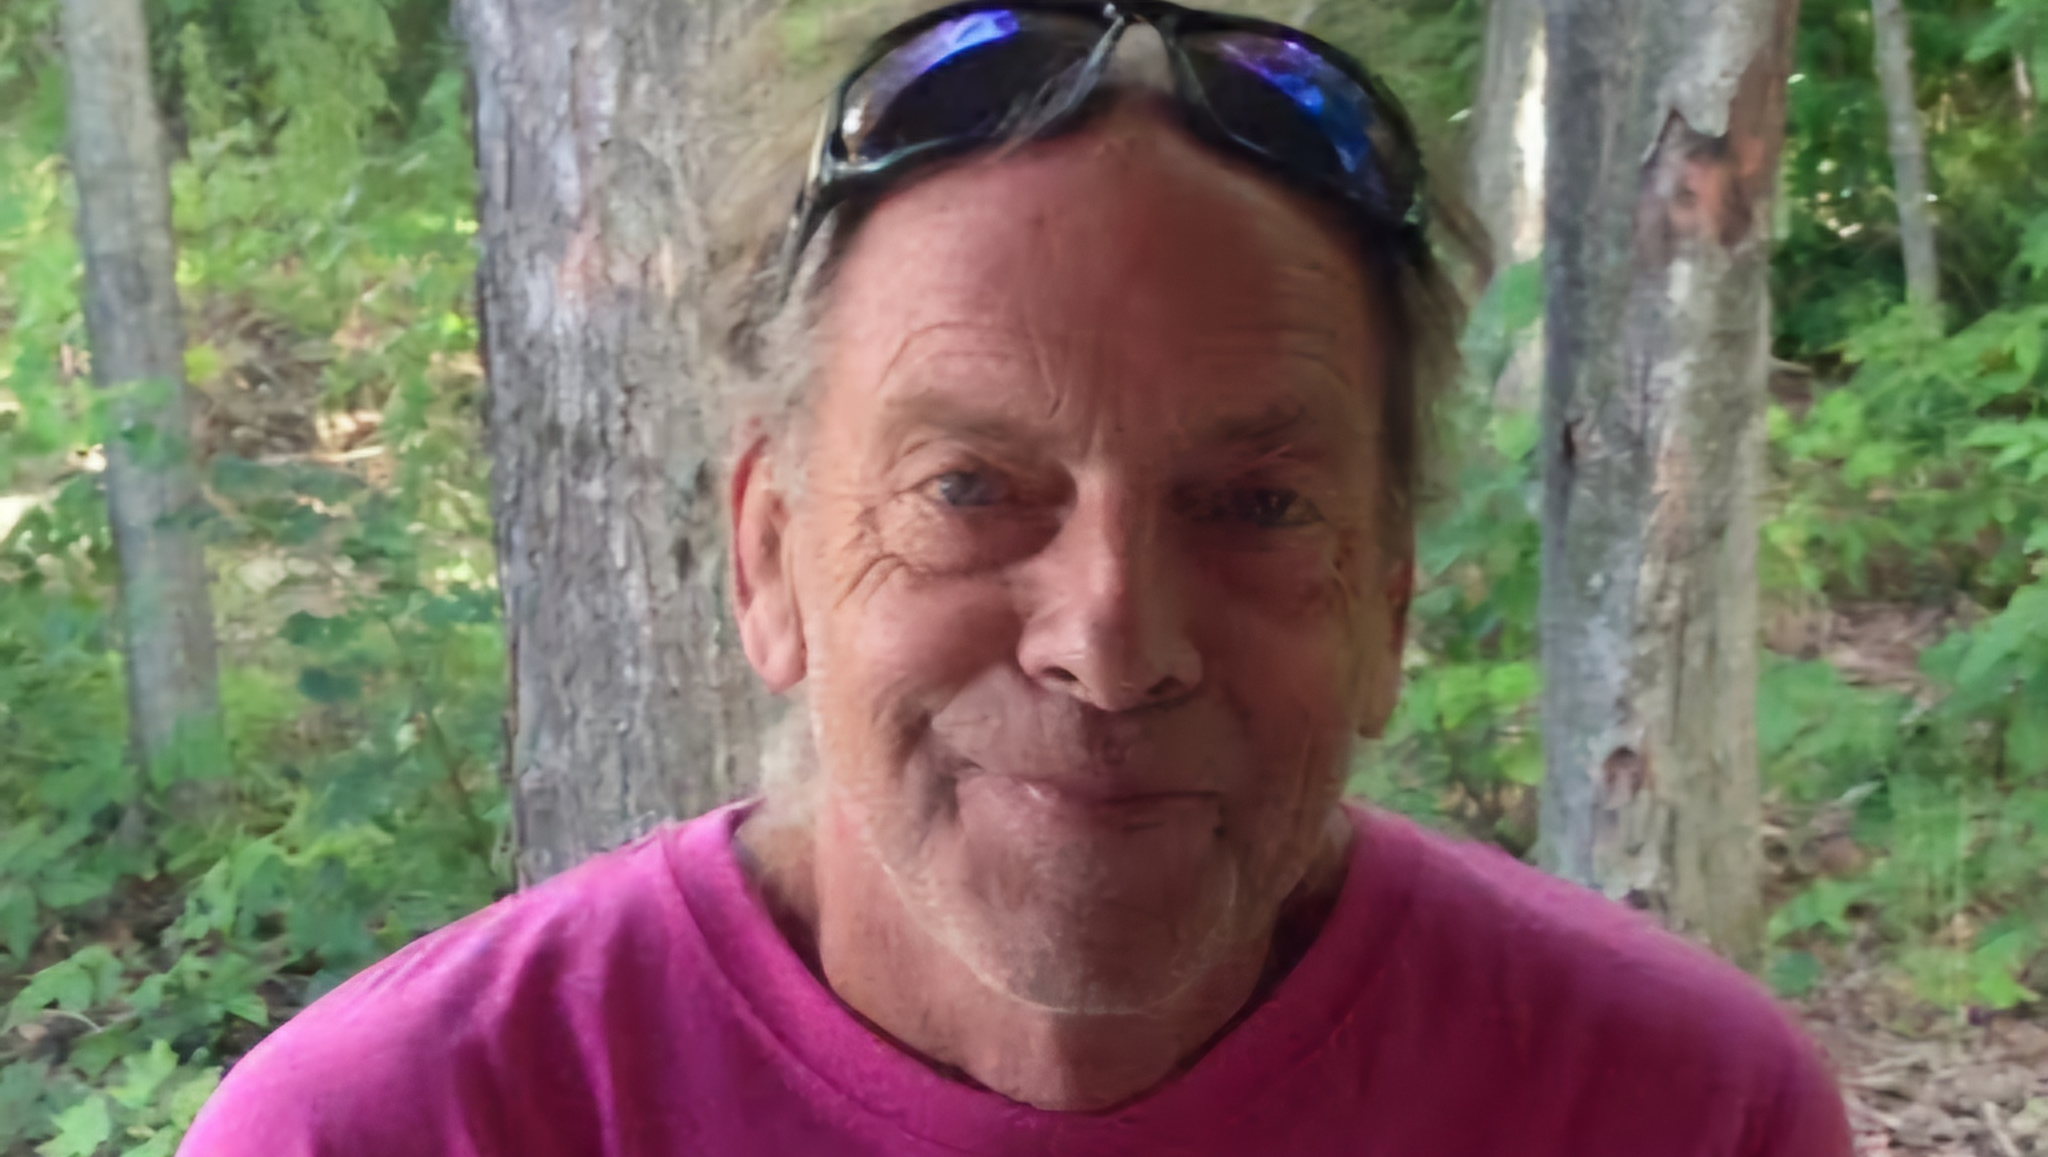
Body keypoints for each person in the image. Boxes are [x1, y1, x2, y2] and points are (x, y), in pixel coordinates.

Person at [180, 2, 1853, 1153]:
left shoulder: (1673, 1114)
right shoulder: (399, 1127)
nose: (1111, 642)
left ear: (1389, 601)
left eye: (1256, 504)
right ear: (770, 556)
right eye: (971, 489)